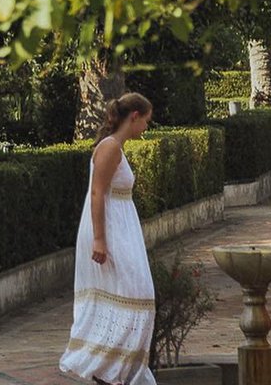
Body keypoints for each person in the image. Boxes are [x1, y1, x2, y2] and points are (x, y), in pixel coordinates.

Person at [59, 92, 156, 385]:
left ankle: (114, 371)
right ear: (134, 116)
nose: (147, 128)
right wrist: (100, 239)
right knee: (136, 295)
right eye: (146, 121)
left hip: (121, 228)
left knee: (135, 296)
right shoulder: (110, 147)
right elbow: (98, 192)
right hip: (109, 230)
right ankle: (104, 368)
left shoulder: (117, 147)